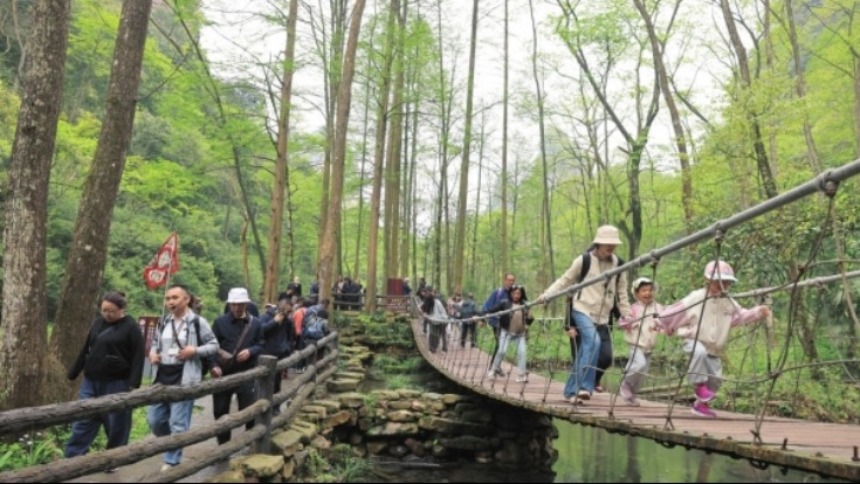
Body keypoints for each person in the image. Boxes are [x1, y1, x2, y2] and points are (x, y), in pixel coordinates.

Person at [657, 260, 770, 418]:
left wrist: (758, 312)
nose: (722, 285)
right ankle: (698, 385)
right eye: (718, 281)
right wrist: (663, 323)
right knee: (699, 353)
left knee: (716, 380)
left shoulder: (729, 301)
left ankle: (700, 405)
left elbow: (740, 317)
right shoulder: (696, 297)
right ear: (708, 280)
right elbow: (677, 311)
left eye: (726, 282)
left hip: (714, 347)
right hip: (694, 339)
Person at [536, 225, 631, 404]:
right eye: (607, 244)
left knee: (605, 356)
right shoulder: (584, 260)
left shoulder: (619, 264)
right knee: (592, 341)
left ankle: (571, 390)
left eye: (613, 245)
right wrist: (547, 294)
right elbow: (565, 280)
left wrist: (626, 315)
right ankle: (584, 388)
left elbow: (622, 292)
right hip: (582, 309)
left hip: (603, 315)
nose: (610, 248)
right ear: (598, 243)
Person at [65, 292, 145, 461]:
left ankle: (114, 458)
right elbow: (86, 349)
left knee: (116, 423)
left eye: (112, 311)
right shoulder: (97, 323)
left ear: (122, 310)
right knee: (83, 419)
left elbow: (138, 356)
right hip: (91, 381)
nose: (107, 314)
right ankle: (73, 458)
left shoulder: (131, 327)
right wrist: (74, 372)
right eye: (104, 310)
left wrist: (133, 384)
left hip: (117, 382)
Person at [148, 284, 219, 471]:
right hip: (162, 375)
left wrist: (194, 350)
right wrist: (153, 353)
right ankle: (172, 443)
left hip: (184, 376)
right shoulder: (163, 321)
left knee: (177, 422)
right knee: (155, 420)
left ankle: (171, 461)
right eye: (168, 298)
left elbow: (213, 345)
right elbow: (155, 343)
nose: (170, 302)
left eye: (175, 298)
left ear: (186, 299)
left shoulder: (197, 322)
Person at [211, 287, 265, 444]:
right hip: (224, 374)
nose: (236, 307)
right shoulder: (220, 322)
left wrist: (250, 351)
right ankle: (223, 446)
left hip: (247, 373)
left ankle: (250, 441)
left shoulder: (256, 324)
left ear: (246, 304)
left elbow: (261, 343)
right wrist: (214, 366)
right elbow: (212, 346)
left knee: (249, 410)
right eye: (233, 304)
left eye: (240, 304)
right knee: (220, 412)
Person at [617, 278, 664, 406]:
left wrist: (662, 326)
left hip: (649, 346)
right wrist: (629, 322)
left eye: (650, 290)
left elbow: (664, 320)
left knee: (642, 373)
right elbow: (622, 322)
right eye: (644, 290)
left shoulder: (657, 308)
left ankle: (631, 396)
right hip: (635, 344)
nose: (647, 293)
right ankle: (625, 384)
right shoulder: (634, 309)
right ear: (637, 293)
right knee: (639, 364)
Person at [487, 285, 533, 382]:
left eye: (519, 293)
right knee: (502, 351)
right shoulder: (505, 303)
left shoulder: (525, 305)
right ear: (511, 294)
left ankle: (521, 375)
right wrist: (480, 315)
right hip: (506, 332)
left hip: (519, 334)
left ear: (521, 295)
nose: (517, 295)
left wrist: (529, 317)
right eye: (515, 293)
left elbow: (530, 320)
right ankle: (493, 370)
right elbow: (491, 310)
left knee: (522, 353)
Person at [260, 293, 294, 414]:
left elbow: (290, 337)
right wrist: (274, 322)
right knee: (265, 383)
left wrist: (288, 349)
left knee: (276, 383)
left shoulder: (288, 322)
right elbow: (260, 331)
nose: (289, 313)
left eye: (290, 311)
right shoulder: (266, 316)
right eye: (287, 311)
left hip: (280, 356)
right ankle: (263, 408)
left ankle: (275, 407)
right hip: (266, 356)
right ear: (281, 306)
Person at [483, 273, 516, 375]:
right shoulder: (498, 293)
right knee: (499, 345)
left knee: (502, 346)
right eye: (509, 280)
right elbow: (487, 306)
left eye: (512, 280)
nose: (510, 282)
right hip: (496, 322)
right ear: (505, 280)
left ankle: (496, 367)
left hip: (508, 324)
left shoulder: (514, 294)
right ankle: (493, 367)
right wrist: (482, 319)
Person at [421, 288, 449, 353]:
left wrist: (443, 320)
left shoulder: (437, 303)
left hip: (442, 320)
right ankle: (432, 348)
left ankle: (444, 348)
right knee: (432, 334)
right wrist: (425, 314)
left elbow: (441, 313)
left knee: (442, 334)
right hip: (433, 321)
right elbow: (426, 311)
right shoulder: (428, 304)